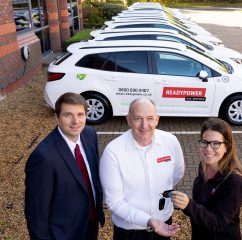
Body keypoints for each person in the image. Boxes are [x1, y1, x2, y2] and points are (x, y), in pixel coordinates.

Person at [100, 98, 184, 240]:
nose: (144, 125)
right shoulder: (113, 152)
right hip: (129, 232)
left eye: (150, 118)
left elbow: (177, 174)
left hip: (164, 226)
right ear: (128, 119)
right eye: (138, 118)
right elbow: (115, 202)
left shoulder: (171, 142)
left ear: (157, 119)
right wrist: (149, 220)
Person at [25, 92, 105, 240]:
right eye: (68, 115)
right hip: (64, 233)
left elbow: (92, 178)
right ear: (57, 117)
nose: (76, 121)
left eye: (80, 114)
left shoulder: (89, 134)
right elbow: (36, 212)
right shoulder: (43, 157)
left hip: (91, 224)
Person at [172, 118, 242, 240]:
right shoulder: (203, 167)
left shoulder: (235, 182)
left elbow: (218, 223)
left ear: (227, 147)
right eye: (205, 142)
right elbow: (203, 204)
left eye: (216, 143)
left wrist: (189, 205)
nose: (208, 149)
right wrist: (183, 204)